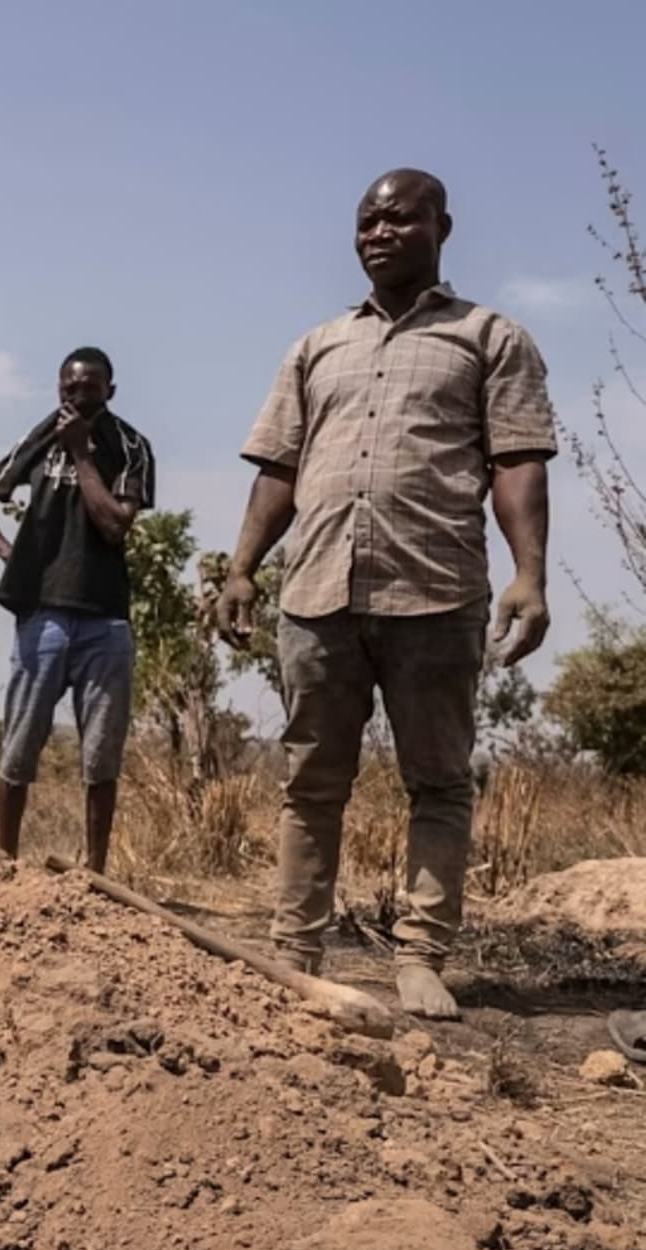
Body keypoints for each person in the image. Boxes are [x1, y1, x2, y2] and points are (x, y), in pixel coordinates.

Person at [215, 168, 555, 1021]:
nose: (379, 231)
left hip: (435, 591)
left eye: (400, 218)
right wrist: (243, 567)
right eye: (367, 220)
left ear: (443, 226)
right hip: (319, 592)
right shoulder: (317, 345)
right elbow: (279, 469)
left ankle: (420, 958)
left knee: (437, 780)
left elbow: (517, 461)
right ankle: (297, 950)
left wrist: (529, 573)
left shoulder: (488, 337)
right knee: (309, 782)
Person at [0, 348, 156, 873]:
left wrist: (82, 456)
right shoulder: (40, 436)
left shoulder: (129, 446)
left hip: (105, 618)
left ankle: (95, 875)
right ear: (57, 389)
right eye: (69, 387)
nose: (77, 396)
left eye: (90, 387)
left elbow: (116, 525)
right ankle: (3, 864)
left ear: (109, 391)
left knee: (100, 757)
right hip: (41, 615)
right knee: (19, 746)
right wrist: (13, 556)